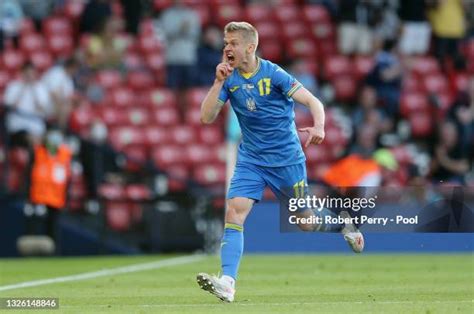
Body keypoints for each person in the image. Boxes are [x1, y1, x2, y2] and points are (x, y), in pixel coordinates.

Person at [196, 21, 364, 303]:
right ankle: (227, 282)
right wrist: (217, 83)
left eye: (233, 43)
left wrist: (319, 127)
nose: (227, 48)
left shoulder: (273, 74)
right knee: (234, 212)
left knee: (306, 222)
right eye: (225, 43)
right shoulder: (229, 78)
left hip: (286, 160)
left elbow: (313, 102)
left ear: (250, 47)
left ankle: (343, 225)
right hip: (251, 159)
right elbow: (206, 117)